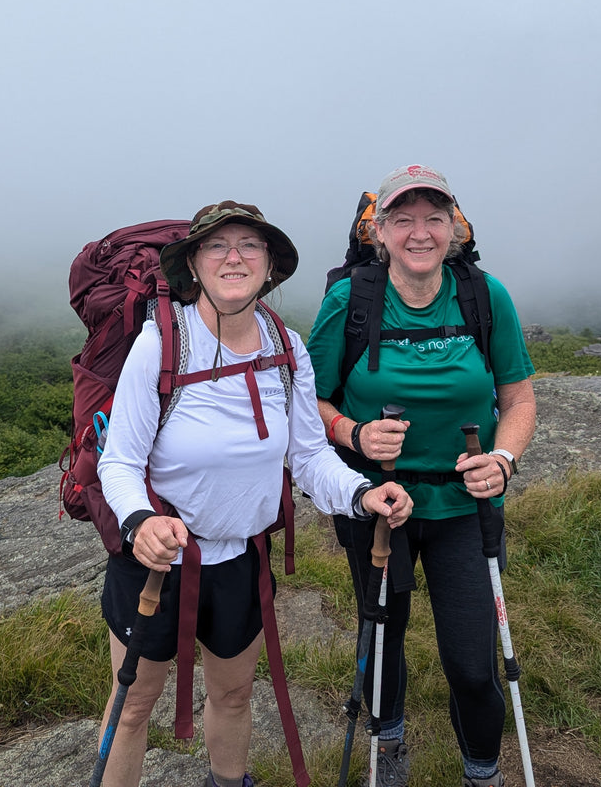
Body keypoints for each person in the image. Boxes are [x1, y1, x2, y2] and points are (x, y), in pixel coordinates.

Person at [96, 200, 414, 787]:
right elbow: (119, 461)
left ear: (270, 265)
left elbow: (310, 454)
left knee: (236, 694)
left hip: (243, 557)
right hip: (156, 562)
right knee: (134, 707)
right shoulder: (160, 344)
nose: (234, 257)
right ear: (194, 263)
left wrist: (363, 492)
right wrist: (140, 523)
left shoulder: (286, 349)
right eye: (218, 245)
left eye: (250, 245)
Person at [307, 165, 537, 787]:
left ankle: (481, 771)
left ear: (454, 228)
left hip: (466, 504)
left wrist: (504, 461)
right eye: (402, 219)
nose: (419, 232)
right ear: (378, 231)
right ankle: (391, 746)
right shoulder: (349, 301)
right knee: (384, 640)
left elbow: (518, 400)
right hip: (379, 501)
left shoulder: (485, 297)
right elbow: (312, 404)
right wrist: (352, 434)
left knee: (471, 663)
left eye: (433, 217)